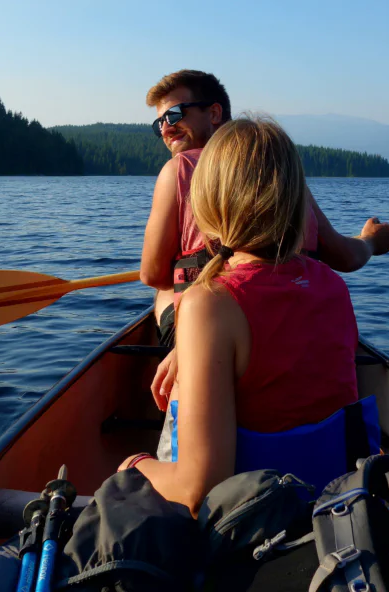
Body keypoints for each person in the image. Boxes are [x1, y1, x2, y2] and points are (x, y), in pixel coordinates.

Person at [120, 117, 362, 513]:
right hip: (329, 507)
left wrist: (133, 466)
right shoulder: (333, 286)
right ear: (295, 199)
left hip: (249, 524)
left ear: (207, 201)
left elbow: (198, 491)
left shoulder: (209, 303)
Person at [140, 69, 389, 400]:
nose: (165, 127)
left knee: (163, 291)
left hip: (214, 328)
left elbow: (152, 274)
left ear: (214, 113)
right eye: (158, 122)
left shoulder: (179, 169)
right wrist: (370, 241)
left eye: (174, 114)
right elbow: (345, 257)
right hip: (295, 334)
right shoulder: (282, 172)